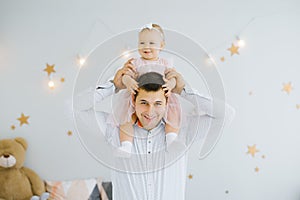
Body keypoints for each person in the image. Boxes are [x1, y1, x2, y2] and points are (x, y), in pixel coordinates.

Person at [74, 67, 235, 200]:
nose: (150, 111)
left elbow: (226, 114)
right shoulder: (114, 131)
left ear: (167, 103)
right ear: (133, 101)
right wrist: (113, 86)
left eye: (157, 103)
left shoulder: (183, 132)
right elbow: (74, 108)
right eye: (144, 102)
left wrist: (183, 90)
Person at [115, 23, 181, 155]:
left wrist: (171, 84)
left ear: (161, 46)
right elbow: (126, 75)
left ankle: (171, 139)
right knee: (127, 119)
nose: (146, 47)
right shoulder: (135, 62)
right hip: (137, 98)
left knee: (173, 115)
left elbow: (173, 76)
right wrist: (128, 81)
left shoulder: (165, 63)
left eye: (151, 43)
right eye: (142, 43)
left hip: (162, 98)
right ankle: (126, 145)